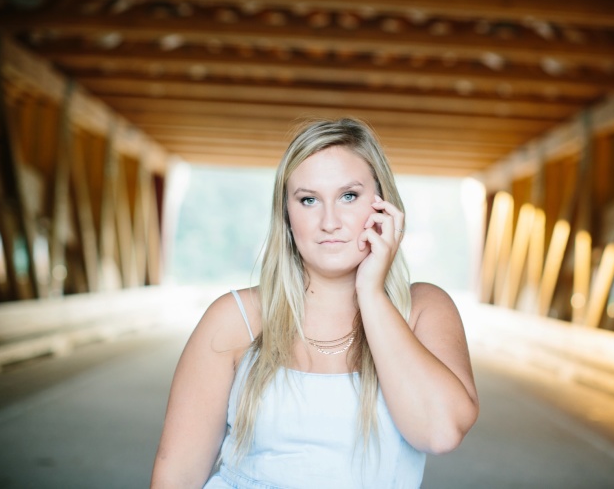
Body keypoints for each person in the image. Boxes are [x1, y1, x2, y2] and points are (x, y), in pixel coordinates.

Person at [151, 118, 479, 488]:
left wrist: (371, 293)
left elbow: (441, 433)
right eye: (308, 200)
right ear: (288, 216)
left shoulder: (423, 310)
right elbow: (176, 474)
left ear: (383, 204)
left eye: (349, 196)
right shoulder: (235, 319)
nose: (329, 222)